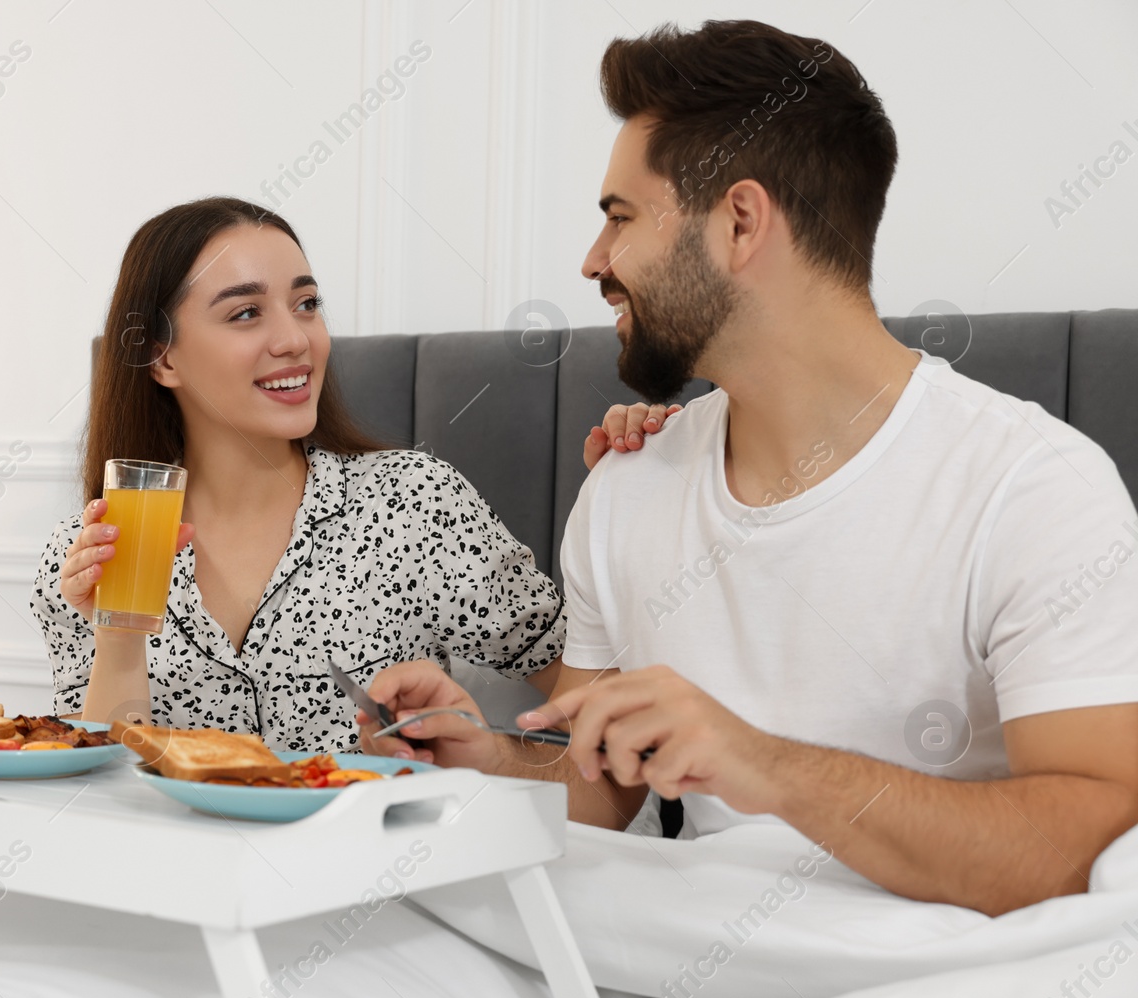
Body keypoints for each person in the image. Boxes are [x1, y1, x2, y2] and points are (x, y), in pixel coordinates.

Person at [360, 19, 1138, 917]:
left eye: (618, 218)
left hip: (934, 987)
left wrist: (765, 764)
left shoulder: (1033, 491)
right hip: (669, 964)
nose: (593, 262)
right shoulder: (628, 482)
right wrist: (484, 753)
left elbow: (1085, 848)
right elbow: (599, 784)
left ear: (739, 221)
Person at [29, 197, 670, 752]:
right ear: (162, 357)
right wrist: (119, 634)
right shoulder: (94, 553)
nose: (296, 339)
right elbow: (102, 786)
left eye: (306, 303)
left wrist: (642, 494)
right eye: (246, 313)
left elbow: (595, 693)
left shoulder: (414, 504)